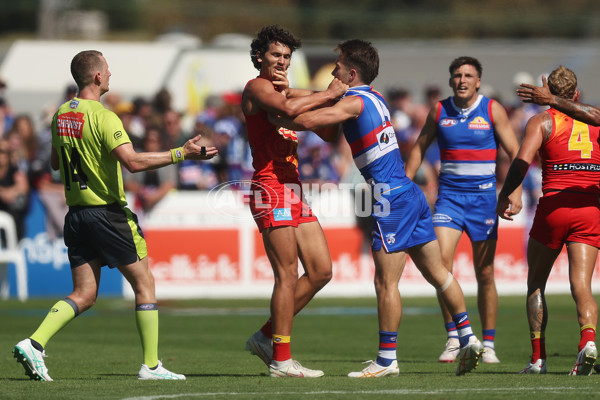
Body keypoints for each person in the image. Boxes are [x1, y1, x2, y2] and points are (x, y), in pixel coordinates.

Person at [272, 39, 484, 377]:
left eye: (338, 66)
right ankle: (469, 337)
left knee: (386, 283)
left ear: (351, 72)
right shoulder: (375, 96)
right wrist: (288, 91)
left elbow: (313, 120)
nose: (333, 72)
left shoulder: (354, 103)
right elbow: (324, 100)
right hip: (409, 192)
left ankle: (387, 360)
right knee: (439, 273)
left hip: (387, 197)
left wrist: (274, 114)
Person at [12, 49, 218, 382]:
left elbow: (54, 163)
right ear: (96, 76)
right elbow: (133, 162)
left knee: (84, 294)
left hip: (76, 215)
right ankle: (151, 366)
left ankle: (34, 343)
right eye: (107, 70)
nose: (110, 74)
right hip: (106, 213)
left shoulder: (61, 114)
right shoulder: (105, 117)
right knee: (145, 282)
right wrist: (183, 153)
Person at [241, 25, 348, 378]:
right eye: (276, 55)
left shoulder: (288, 94)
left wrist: (319, 104)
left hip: (294, 189)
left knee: (320, 271)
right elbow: (287, 106)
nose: (282, 62)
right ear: (260, 57)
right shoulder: (257, 87)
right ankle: (281, 361)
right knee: (286, 275)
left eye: (287, 57)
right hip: (270, 187)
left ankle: (265, 336)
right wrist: (329, 92)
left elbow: (328, 132)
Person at [404, 56, 523, 364]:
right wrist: (403, 184)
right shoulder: (439, 110)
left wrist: (516, 190)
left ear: (478, 81)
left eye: (468, 75)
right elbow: (418, 147)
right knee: (441, 267)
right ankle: (455, 336)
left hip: (483, 200)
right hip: (449, 200)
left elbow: (515, 152)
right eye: (457, 75)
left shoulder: (492, 109)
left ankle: (490, 344)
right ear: (450, 80)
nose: (462, 80)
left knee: (485, 273)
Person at [500, 66, 600, 375]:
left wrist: (506, 194)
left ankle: (538, 359)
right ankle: (588, 342)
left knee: (536, 284)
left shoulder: (542, 121)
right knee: (582, 284)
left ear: (548, 94)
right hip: (590, 209)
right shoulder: (595, 120)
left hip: (554, 209)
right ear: (577, 94)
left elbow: (521, 161)